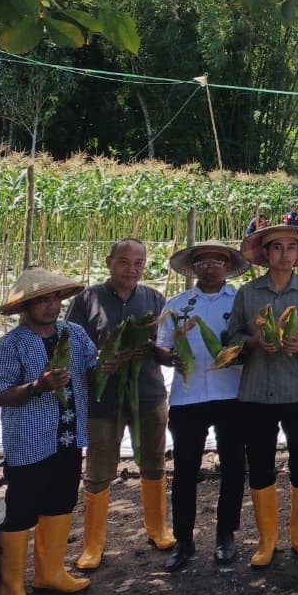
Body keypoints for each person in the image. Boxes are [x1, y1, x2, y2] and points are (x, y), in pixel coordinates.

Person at [0, 268, 96, 595]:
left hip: (69, 437)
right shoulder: (9, 346)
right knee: (21, 510)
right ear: (25, 306)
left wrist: (111, 365)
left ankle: (50, 574)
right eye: (42, 300)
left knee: (61, 501)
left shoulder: (74, 334)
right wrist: (38, 386)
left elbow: (92, 367)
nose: (52, 306)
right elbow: (0, 394)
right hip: (30, 442)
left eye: (55, 299)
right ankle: (12, 589)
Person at [66, 238, 173, 569]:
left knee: (153, 460)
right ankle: (93, 544)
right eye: (124, 261)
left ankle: (157, 529)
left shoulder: (154, 299)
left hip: (148, 393)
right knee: (99, 469)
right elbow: (69, 348)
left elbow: (169, 350)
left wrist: (155, 350)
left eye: (139, 262)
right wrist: (100, 363)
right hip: (103, 398)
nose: (132, 268)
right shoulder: (87, 300)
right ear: (109, 261)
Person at [227, 223, 298, 567]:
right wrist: (253, 342)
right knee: (261, 464)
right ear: (266, 254)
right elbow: (232, 336)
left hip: (296, 390)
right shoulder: (248, 293)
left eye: (291, 248)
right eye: (277, 248)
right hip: (255, 393)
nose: (284, 254)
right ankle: (266, 541)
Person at [155, 240, 250, 571]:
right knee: (184, 471)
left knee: (234, 468)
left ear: (227, 266)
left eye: (217, 261)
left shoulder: (242, 302)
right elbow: (162, 348)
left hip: (232, 394)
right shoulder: (178, 305)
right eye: (202, 262)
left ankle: (226, 535)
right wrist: (169, 356)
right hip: (188, 396)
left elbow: (253, 340)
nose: (210, 267)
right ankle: (184, 540)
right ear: (193, 268)